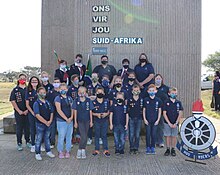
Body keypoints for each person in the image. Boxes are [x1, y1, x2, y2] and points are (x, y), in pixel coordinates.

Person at [33, 87, 55, 161]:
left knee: (47, 138)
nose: (43, 94)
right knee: (39, 139)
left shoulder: (48, 102)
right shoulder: (36, 103)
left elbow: (52, 112)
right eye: (41, 92)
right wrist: (45, 122)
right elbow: (37, 115)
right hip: (40, 124)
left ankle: (48, 151)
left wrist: (50, 121)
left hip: (48, 124)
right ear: (38, 93)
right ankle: (37, 153)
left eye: (44, 92)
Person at [9, 73, 30, 151]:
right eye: (21, 78)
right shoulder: (15, 90)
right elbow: (13, 101)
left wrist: (28, 110)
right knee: (19, 128)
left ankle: (28, 141)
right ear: (18, 79)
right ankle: (19, 143)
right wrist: (19, 111)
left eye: (24, 78)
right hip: (19, 113)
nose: (22, 80)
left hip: (28, 112)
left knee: (27, 128)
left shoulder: (28, 89)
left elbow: (31, 101)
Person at [72, 86, 94, 159]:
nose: (82, 93)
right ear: (78, 93)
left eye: (83, 92)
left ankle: (83, 149)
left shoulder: (88, 101)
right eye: (80, 92)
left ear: (86, 93)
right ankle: (80, 149)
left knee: (86, 135)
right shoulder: (76, 101)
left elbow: (90, 111)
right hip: (80, 121)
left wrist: (91, 121)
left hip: (87, 120)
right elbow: (75, 111)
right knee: (83, 136)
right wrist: (75, 122)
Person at [55, 83, 74, 159]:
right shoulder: (57, 98)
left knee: (69, 136)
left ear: (67, 89)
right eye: (61, 89)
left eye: (65, 89)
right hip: (61, 121)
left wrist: (71, 117)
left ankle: (68, 150)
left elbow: (72, 108)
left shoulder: (69, 98)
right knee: (61, 136)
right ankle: (60, 151)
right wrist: (66, 118)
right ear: (59, 90)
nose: (63, 90)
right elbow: (58, 110)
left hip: (70, 120)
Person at [163, 87, 183, 156]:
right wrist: (169, 123)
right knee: (168, 136)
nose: (174, 94)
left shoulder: (178, 103)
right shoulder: (166, 102)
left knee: (174, 136)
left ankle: (173, 149)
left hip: (175, 123)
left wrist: (176, 123)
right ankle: (168, 149)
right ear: (169, 94)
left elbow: (180, 113)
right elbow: (164, 113)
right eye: (172, 93)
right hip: (167, 123)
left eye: (175, 93)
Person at [143, 84, 162, 154]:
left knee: (153, 134)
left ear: (156, 91)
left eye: (153, 90)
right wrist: (144, 119)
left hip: (155, 121)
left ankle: (153, 147)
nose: (151, 92)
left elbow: (160, 111)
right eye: (150, 90)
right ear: (148, 91)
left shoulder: (158, 100)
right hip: (147, 120)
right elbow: (144, 110)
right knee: (148, 134)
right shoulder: (145, 100)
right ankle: (148, 147)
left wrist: (158, 120)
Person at [92, 87, 110, 157]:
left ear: (104, 93)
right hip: (97, 121)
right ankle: (97, 149)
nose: (100, 94)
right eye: (98, 92)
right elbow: (91, 112)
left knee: (104, 135)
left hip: (105, 121)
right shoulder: (93, 102)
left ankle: (106, 149)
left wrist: (106, 114)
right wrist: (96, 114)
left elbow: (109, 111)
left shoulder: (106, 101)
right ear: (96, 93)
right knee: (97, 135)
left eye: (101, 92)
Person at [26, 76, 41, 153]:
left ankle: (39, 145)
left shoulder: (40, 90)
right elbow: (27, 104)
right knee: (32, 129)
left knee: (40, 130)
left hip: (40, 114)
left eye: (36, 81)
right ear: (30, 82)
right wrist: (32, 113)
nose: (34, 82)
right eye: (33, 81)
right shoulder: (28, 91)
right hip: (32, 114)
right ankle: (33, 145)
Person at [127, 84, 143, 154]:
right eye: (134, 90)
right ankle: (131, 147)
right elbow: (127, 110)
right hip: (131, 118)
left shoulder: (141, 99)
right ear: (132, 91)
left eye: (137, 90)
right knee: (131, 134)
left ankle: (136, 147)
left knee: (137, 134)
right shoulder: (129, 99)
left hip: (139, 119)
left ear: (139, 91)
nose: (136, 91)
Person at [154, 74, 169, 148]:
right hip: (153, 111)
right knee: (153, 127)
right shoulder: (152, 88)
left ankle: (160, 141)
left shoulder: (165, 88)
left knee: (161, 126)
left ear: (162, 80)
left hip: (162, 111)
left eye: (159, 78)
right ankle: (153, 141)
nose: (158, 80)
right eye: (157, 78)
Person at [87, 72, 101, 145]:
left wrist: (95, 97)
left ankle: (99, 137)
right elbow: (86, 95)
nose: (94, 78)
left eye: (95, 77)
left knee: (98, 123)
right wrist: (90, 97)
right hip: (90, 106)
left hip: (98, 106)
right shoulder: (88, 86)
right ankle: (89, 138)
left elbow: (101, 95)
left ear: (98, 78)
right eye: (93, 77)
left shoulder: (100, 86)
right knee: (90, 122)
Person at [46, 77, 61, 147]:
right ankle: (52, 142)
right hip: (53, 113)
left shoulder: (62, 92)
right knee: (53, 128)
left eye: (58, 82)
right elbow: (48, 102)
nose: (56, 84)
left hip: (61, 113)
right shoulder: (50, 93)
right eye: (55, 82)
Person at [67, 74, 80, 144]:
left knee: (79, 123)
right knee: (72, 124)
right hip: (72, 108)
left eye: (77, 79)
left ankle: (78, 137)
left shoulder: (81, 88)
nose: (77, 81)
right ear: (72, 81)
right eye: (75, 80)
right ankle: (72, 138)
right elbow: (69, 98)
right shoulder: (70, 89)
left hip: (80, 108)